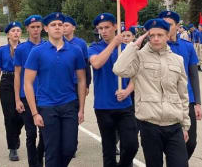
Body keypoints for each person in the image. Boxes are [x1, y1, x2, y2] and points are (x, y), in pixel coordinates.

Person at [113, 18, 190, 167]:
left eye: (160, 35)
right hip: (150, 125)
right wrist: (134, 44)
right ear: (147, 36)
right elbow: (119, 69)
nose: (156, 39)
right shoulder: (139, 57)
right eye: (152, 35)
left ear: (167, 36)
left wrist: (185, 126)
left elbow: (183, 95)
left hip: (174, 125)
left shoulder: (177, 60)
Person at [24, 12, 86, 167]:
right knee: (52, 151)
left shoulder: (75, 51)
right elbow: (28, 83)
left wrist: (81, 109)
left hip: (69, 105)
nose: (57, 27)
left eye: (60, 24)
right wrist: (34, 113)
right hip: (47, 107)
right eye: (53, 25)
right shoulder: (37, 51)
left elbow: (81, 79)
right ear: (46, 28)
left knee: (70, 148)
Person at [88, 13, 139, 167]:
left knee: (131, 145)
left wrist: (128, 91)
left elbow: (136, 76)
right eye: (100, 28)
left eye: (107, 27)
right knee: (109, 149)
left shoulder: (127, 48)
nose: (103, 31)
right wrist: (113, 45)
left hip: (124, 104)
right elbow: (96, 64)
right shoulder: (94, 48)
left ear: (115, 27)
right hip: (104, 105)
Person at [159, 10, 202, 159]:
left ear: (177, 26)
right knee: (170, 141)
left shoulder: (187, 47)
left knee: (191, 142)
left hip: (186, 100)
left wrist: (198, 103)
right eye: (163, 24)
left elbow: (194, 76)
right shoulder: (155, 47)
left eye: (170, 25)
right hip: (164, 100)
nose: (166, 28)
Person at [14, 15, 45, 167]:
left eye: (38, 26)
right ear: (27, 29)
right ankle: (34, 164)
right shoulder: (21, 49)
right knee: (31, 133)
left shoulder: (48, 46)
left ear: (42, 28)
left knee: (45, 134)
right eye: (32, 27)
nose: (35, 30)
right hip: (26, 96)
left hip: (45, 96)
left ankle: (39, 159)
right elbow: (17, 75)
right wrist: (17, 99)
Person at [0, 21, 24, 161]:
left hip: (23, 82)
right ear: (8, 34)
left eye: (18, 30)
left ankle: (15, 133)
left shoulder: (25, 48)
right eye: (13, 30)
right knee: (9, 116)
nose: (16, 33)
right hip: (7, 82)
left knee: (22, 114)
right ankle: (13, 148)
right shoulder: (1, 50)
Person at [63, 15, 92, 157]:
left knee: (75, 115)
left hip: (77, 84)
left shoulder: (80, 44)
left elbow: (86, 65)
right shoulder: (57, 42)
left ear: (73, 27)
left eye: (67, 25)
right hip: (62, 83)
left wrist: (87, 84)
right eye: (62, 25)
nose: (64, 28)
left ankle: (72, 144)